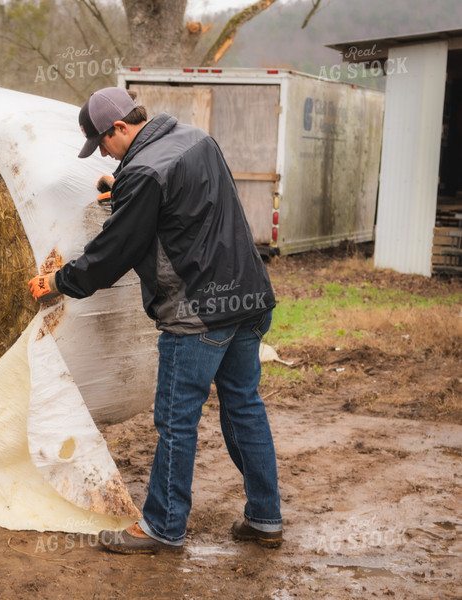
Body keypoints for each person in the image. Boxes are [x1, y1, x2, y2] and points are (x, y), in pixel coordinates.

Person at [27, 87, 282, 553]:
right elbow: (184, 211)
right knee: (244, 408)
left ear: (120, 128)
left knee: (175, 421)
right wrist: (121, 190)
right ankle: (265, 517)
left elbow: (114, 252)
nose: (102, 151)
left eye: (103, 143)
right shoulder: (195, 140)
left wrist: (61, 282)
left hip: (196, 314)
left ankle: (163, 526)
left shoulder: (144, 172)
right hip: (247, 299)